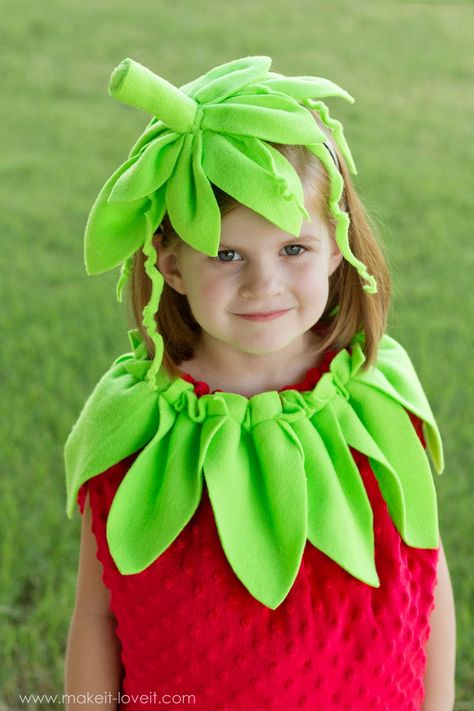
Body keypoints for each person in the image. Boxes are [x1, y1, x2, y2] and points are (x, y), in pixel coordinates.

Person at [63, 56, 456, 710]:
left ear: (337, 245)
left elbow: (428, 580)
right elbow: (96, 615)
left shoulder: (378, 398)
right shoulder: (138, 427)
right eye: (226, 253)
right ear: (174, 263)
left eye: (292, 249)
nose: (263, 284)